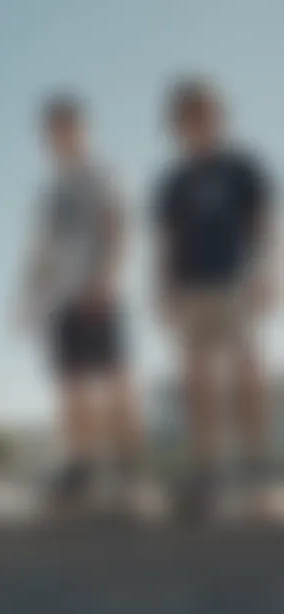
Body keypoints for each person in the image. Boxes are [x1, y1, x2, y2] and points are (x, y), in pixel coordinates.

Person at [153, 78, 276, 520]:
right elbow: (164, 242)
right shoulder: (174, 180)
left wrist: (268, 271)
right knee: (197, 379)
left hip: (235, 281)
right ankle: (208, 470)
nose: (198, 122)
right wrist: (162, 290)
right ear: (177, 125)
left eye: (206, 113)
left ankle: (257, 466)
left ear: (219, 116)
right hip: (190, 289)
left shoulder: (242, 166)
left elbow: (264, 223)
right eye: (188, 116)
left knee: (247, 370)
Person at [17, 94, 143, 514]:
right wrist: (28, 300)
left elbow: (119, 223)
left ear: (82, 128)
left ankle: (129, 469)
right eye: (52, 130)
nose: (59, 135)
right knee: (70, 386)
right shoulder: (49, 188)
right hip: (59, 299)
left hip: (97, 290)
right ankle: (83, 468)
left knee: (114, 381)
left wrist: (107, 278)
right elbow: (42, 250)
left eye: (67, 126)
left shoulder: (101, 171)